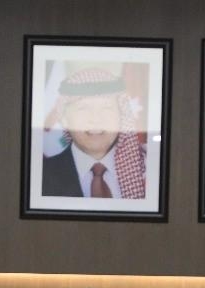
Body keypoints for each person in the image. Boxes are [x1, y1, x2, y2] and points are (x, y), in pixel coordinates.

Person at [40, 68, 147, 200]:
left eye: (107, 108)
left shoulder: (148, 172)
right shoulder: (40, 176)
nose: (96, 119)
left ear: (121, 116)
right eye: (83, 108)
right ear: (65, 119)